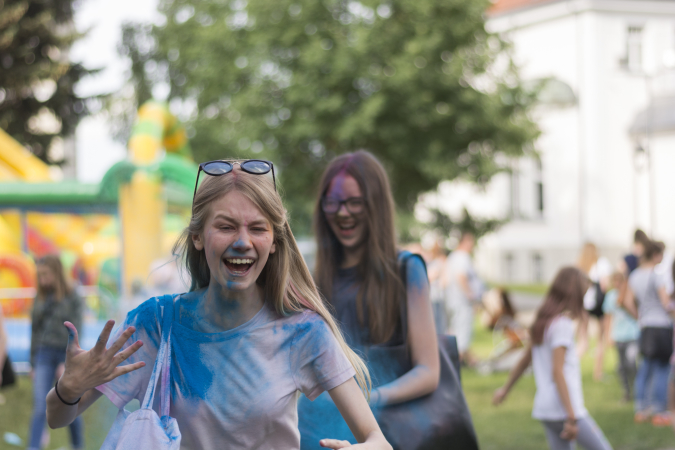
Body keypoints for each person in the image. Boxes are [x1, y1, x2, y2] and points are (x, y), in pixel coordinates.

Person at [45, 160, 391, 450]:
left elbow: (378, 440)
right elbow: (58, 417)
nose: (242, 242)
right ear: (198, 236)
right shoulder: (155, 323)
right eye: (225, 226)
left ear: (273, 242)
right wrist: (69, 388)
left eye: (258, 228)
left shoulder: (302, 330)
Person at [300, 151, 439, 446]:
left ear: (375, 205)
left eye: (354, 202)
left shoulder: (407, 269)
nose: (342, 212)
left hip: (390, 433)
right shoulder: (314, 279)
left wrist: (365, 399)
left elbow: (429, 372)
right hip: (324, 433)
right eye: (333, 202)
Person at [493, 267, 613, 450]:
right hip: (565, 409)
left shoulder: (543, 323)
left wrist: (505, 389)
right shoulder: (562, 325)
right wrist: (571, 417)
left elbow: (525, 360)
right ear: (574, 294)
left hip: (546, 409)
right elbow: (557, 371)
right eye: (584, 294)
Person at [29, 255, 84, 450]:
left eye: (45, 275)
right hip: (44, 354)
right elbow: (34, 331)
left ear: (56, 273)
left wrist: (68, 363)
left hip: (65, 355)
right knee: (39, 407)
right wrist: (33, 363)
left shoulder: (73, 295)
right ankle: (33, 446)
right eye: (39, 275)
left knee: (71, 404)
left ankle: (77, 445)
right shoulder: (41, 296)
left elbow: (78, 330)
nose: (42, 280)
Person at [621, 240, 673, 427]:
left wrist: (639, 317)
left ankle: (641, 409)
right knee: (662, 369)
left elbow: (627, 301)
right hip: (661, 326)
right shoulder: (656, 275)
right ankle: (659, 411)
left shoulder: (635, 276)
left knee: (645, 368)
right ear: (656, 255)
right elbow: (666, 303)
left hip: (645, 327)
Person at [444, 231, 482, 365]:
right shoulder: (462, 257)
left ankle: (468, 360)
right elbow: (461, 276)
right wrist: (470, 295)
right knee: (462, 333)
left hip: (453, 301)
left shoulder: (453, 257)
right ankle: (456, 364)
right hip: (462, 302)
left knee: (456, 331)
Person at [576, 242, 612, 381]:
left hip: (584, 305)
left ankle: (571, 368)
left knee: (582, 340)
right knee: (600, 340)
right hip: (599, 305)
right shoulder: (601, 264)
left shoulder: (580, 266)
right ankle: (598, 373)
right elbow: (604, 285)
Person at [602, 271, 639, 402]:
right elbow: (608, 317)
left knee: (631, 363)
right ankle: (627, 392)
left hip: (632, 334)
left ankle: (637, 390)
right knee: (621, 366)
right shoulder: (610, 296)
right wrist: (608, 335)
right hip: (618, 335)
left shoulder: (630, 294)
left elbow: (636, 313)